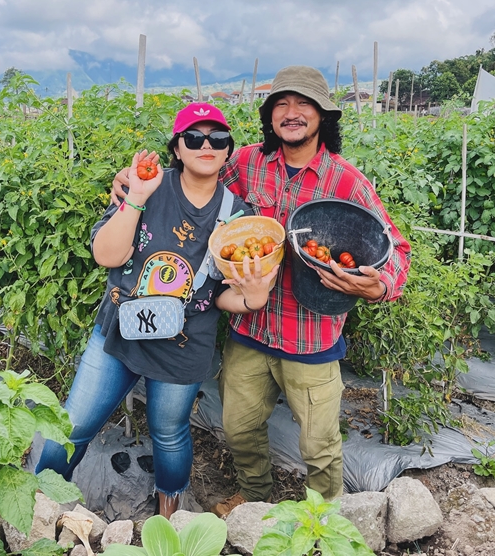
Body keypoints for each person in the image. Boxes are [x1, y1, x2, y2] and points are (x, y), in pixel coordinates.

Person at [111, 66, 410, 514]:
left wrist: (379, 285)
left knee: (319, 444)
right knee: (239, 428)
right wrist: (133, 183)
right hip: (251, 327)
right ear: (269, 117)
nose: (291, 114)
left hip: (311, 337)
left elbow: (396, 249)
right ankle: (255, 501)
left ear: (323, 117)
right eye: (281, 105)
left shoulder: (345, 181)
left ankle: (325, 518)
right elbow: (196, 176)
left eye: (303, 105)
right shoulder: (246, 163)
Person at [35, 103, 276, 518]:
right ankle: (37, 508)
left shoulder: (239, 217)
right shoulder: (146, 185)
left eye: (217, 139)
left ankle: (170, 518)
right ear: (177, 149)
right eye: (193, 137)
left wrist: (253, 298)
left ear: (227, 152)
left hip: (183, 344)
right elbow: (107, 255)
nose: (206, 145)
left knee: (169, 433)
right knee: (71, 427)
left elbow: (217, 295)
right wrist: (136, 199)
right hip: (118, 332)